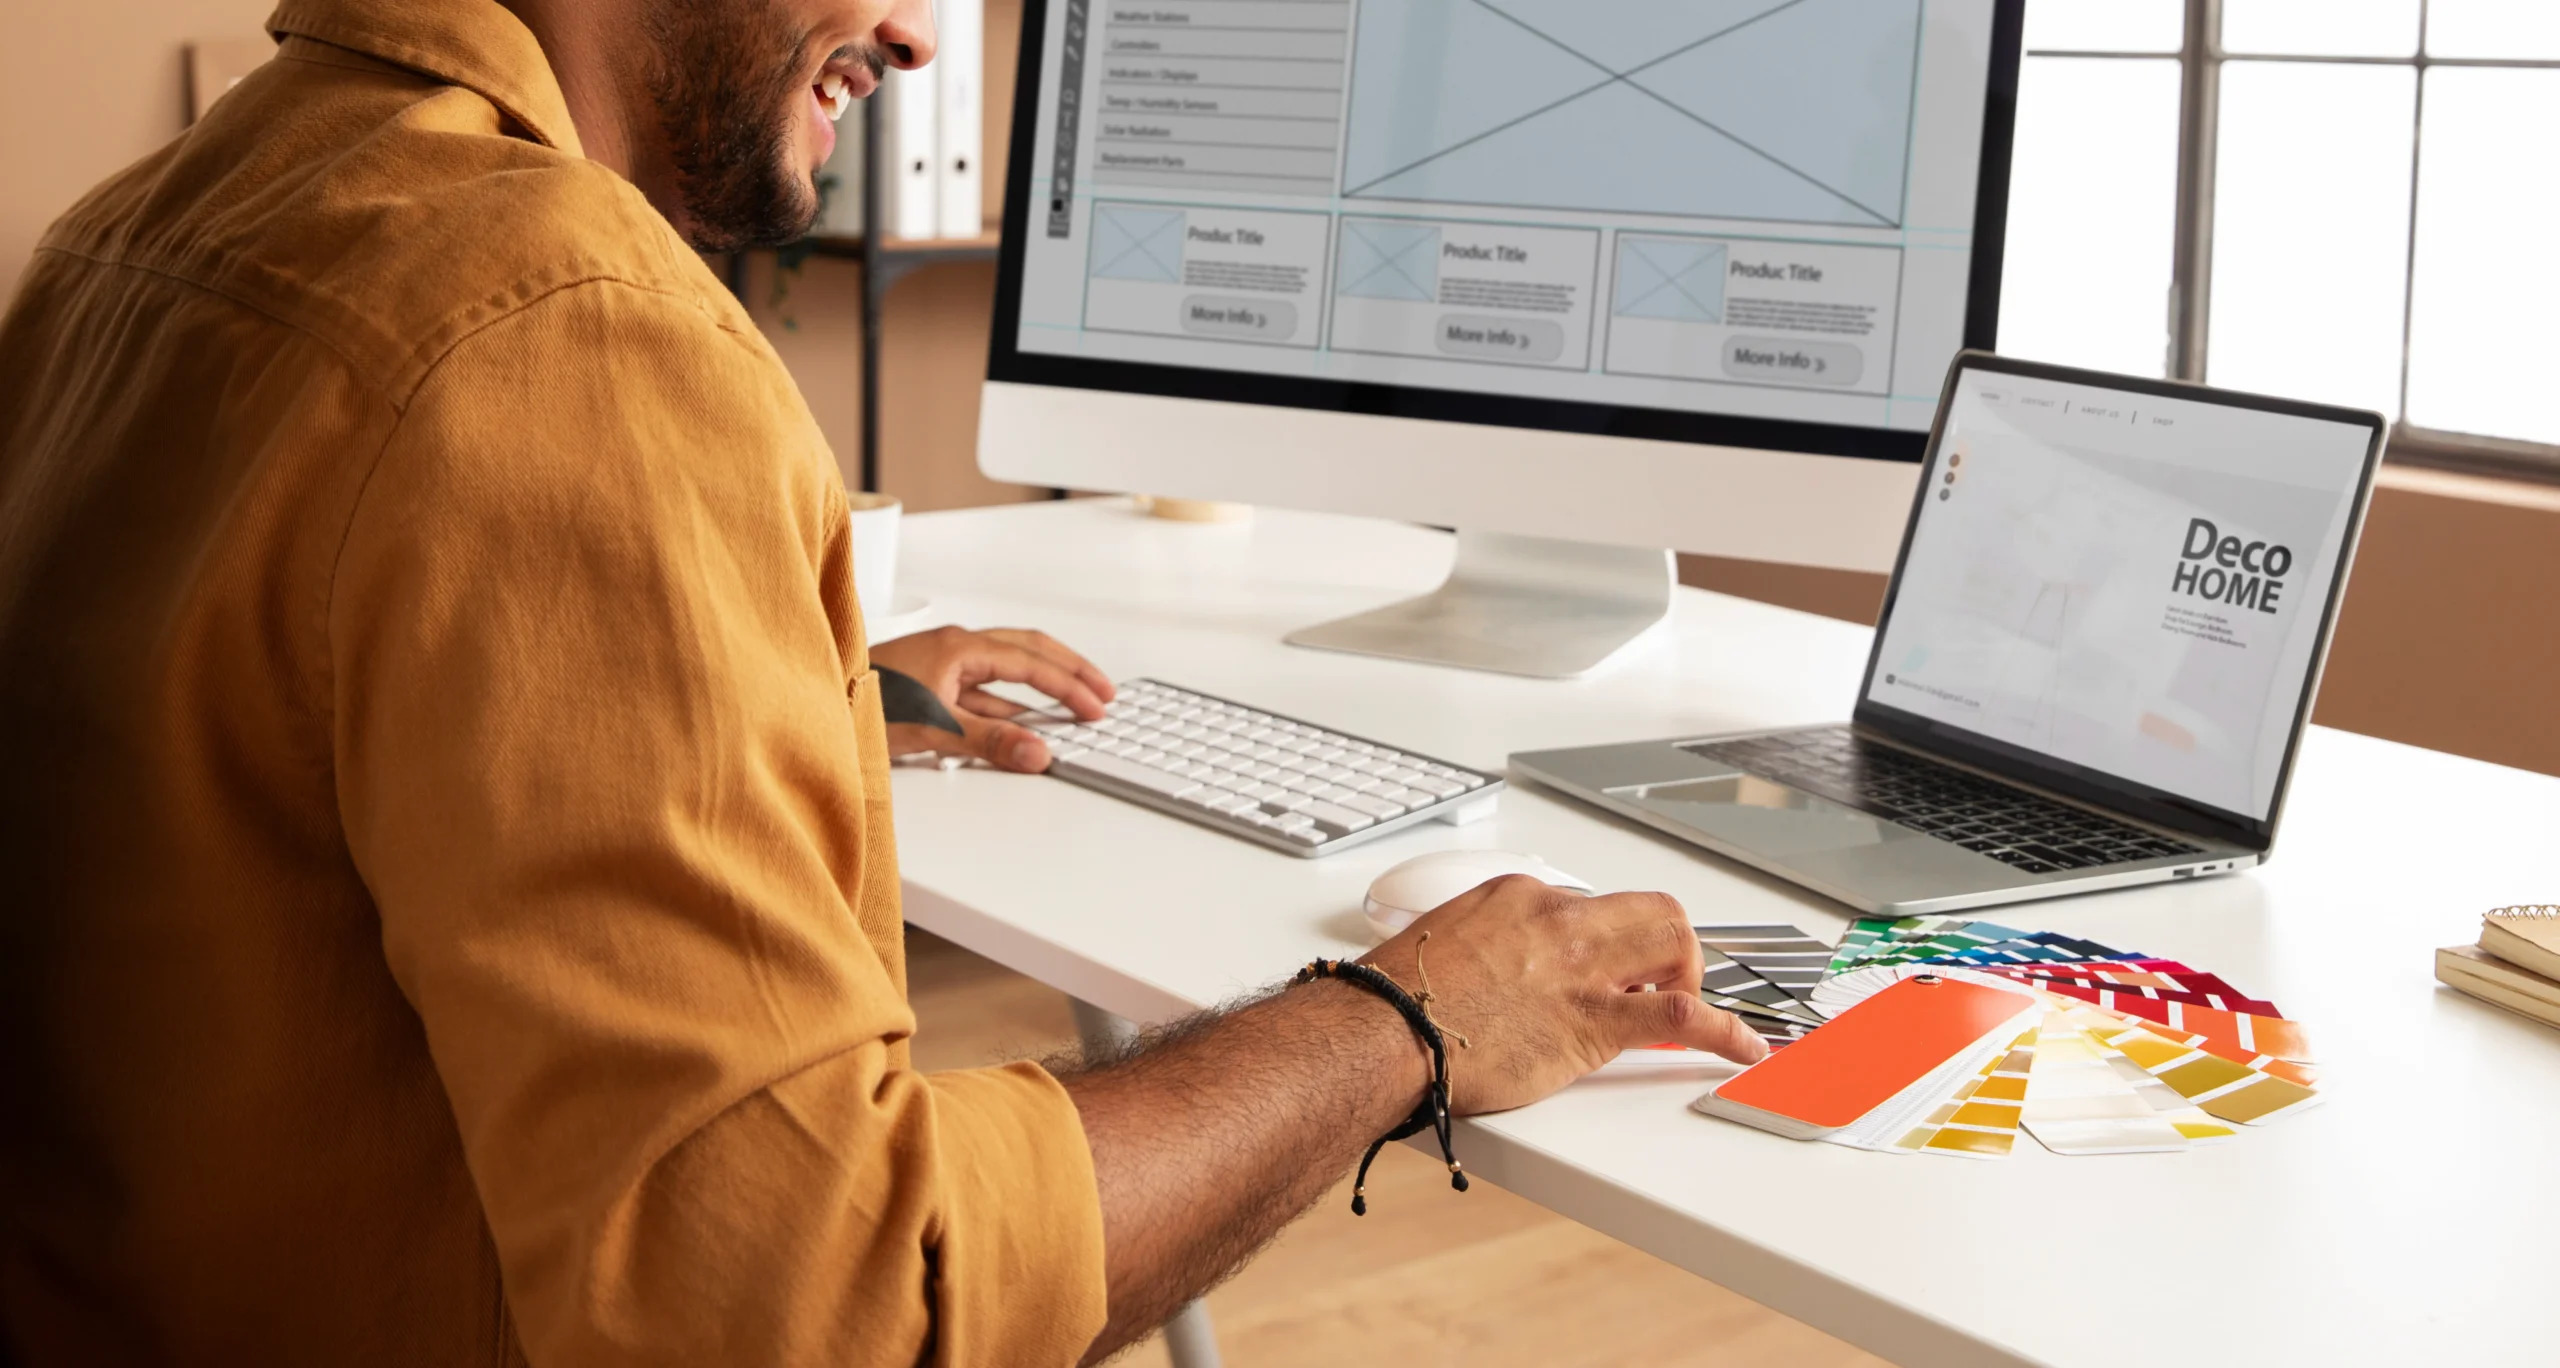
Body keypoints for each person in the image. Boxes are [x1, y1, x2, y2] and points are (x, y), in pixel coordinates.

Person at [0, 0, 1766, 1362]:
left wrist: (790, 663)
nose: (920, 31)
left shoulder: (150, 227)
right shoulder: (562, 328)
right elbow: (831, 1306)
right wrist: (1407, 1017)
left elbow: (275, 736)